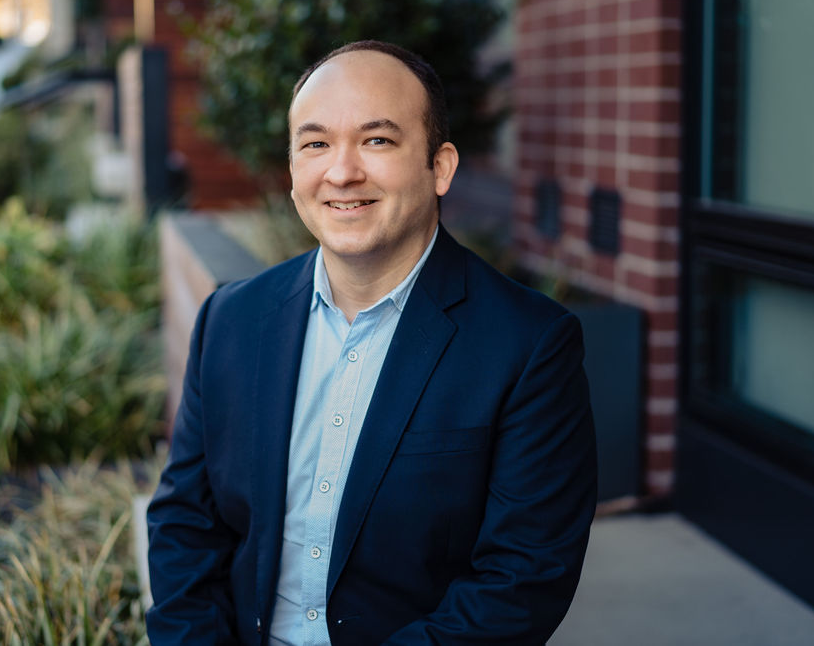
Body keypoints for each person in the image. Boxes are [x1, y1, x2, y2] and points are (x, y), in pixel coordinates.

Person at [146, 40, 597, 645]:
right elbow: (185, 524)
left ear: (440, 166)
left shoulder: (530, 345)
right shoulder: (231, 320)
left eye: (377, 140)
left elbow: (521, 580)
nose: (341, 171)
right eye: (315, 143)